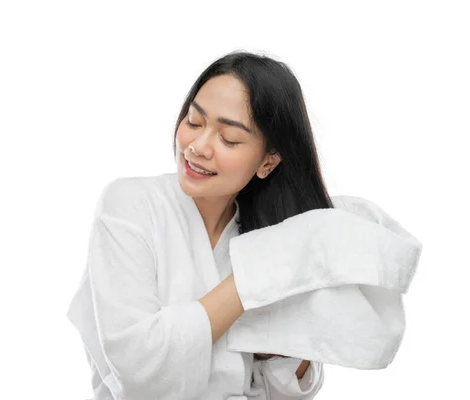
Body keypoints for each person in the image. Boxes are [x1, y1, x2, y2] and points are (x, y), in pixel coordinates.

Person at [68, 50, 332, 399]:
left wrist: (287, 347)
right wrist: (250, 283)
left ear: (268, 161)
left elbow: (281, 390)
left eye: (229, 139)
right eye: (194, 121)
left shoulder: (264, 238)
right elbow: (138, 371)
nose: (198, 146)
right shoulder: (130, 205)